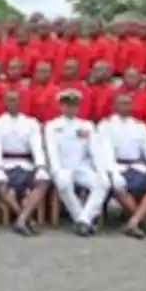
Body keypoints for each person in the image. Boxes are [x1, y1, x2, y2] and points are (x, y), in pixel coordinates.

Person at [97, 92, 146, 239]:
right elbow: (105, 151)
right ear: (114, 106)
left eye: (128, 103)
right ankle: (143, 221)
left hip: (138, 166)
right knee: (118, 186)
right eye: (122, 103)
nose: (125, 106)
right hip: (117, 166)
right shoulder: (105, 125)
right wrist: (114, 172)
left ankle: (134, 221)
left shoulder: (140, 126)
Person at [45, 89, 112, 236]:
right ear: (61, 106)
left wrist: (100, 170)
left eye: (74, 105)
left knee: (104, 183)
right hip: (62, 166)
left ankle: (82, 220)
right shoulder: (52, 126)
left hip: (82, 167)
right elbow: (52, 151)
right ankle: (82, 219)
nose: (70, 108)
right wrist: (57, 170)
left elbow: (94, 151)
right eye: (67, 105)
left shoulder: (86, 125)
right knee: (64, 182)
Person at [0, 89, 50, 236]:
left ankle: (21, 219)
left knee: (43, 182)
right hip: (6, 163)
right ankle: (24, 217)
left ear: (21, 102)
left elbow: (37, 146)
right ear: (4, 103)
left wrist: (41, 166)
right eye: (9, 100)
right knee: (1, 184)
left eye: (15, 100)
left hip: (26, 163)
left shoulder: (31, 123)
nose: (12, 103)